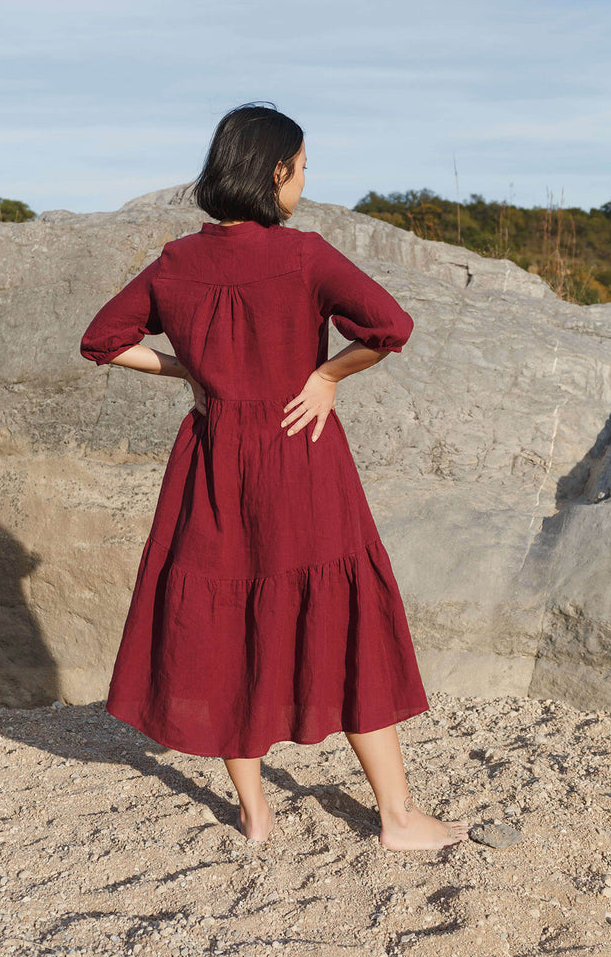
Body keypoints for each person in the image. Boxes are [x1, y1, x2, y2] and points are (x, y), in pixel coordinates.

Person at [80, 102, 470, 852]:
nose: (303, 180)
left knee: (222, 624)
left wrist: (185, 368)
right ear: (275, 172)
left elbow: (102, 341)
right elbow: (389, 327)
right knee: (348, 620)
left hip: (212, 463)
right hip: (302, 457)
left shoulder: (175, 264)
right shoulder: (305, 255)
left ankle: (255, 815)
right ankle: (395, 817)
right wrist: (326, 375)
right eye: (301, 167)